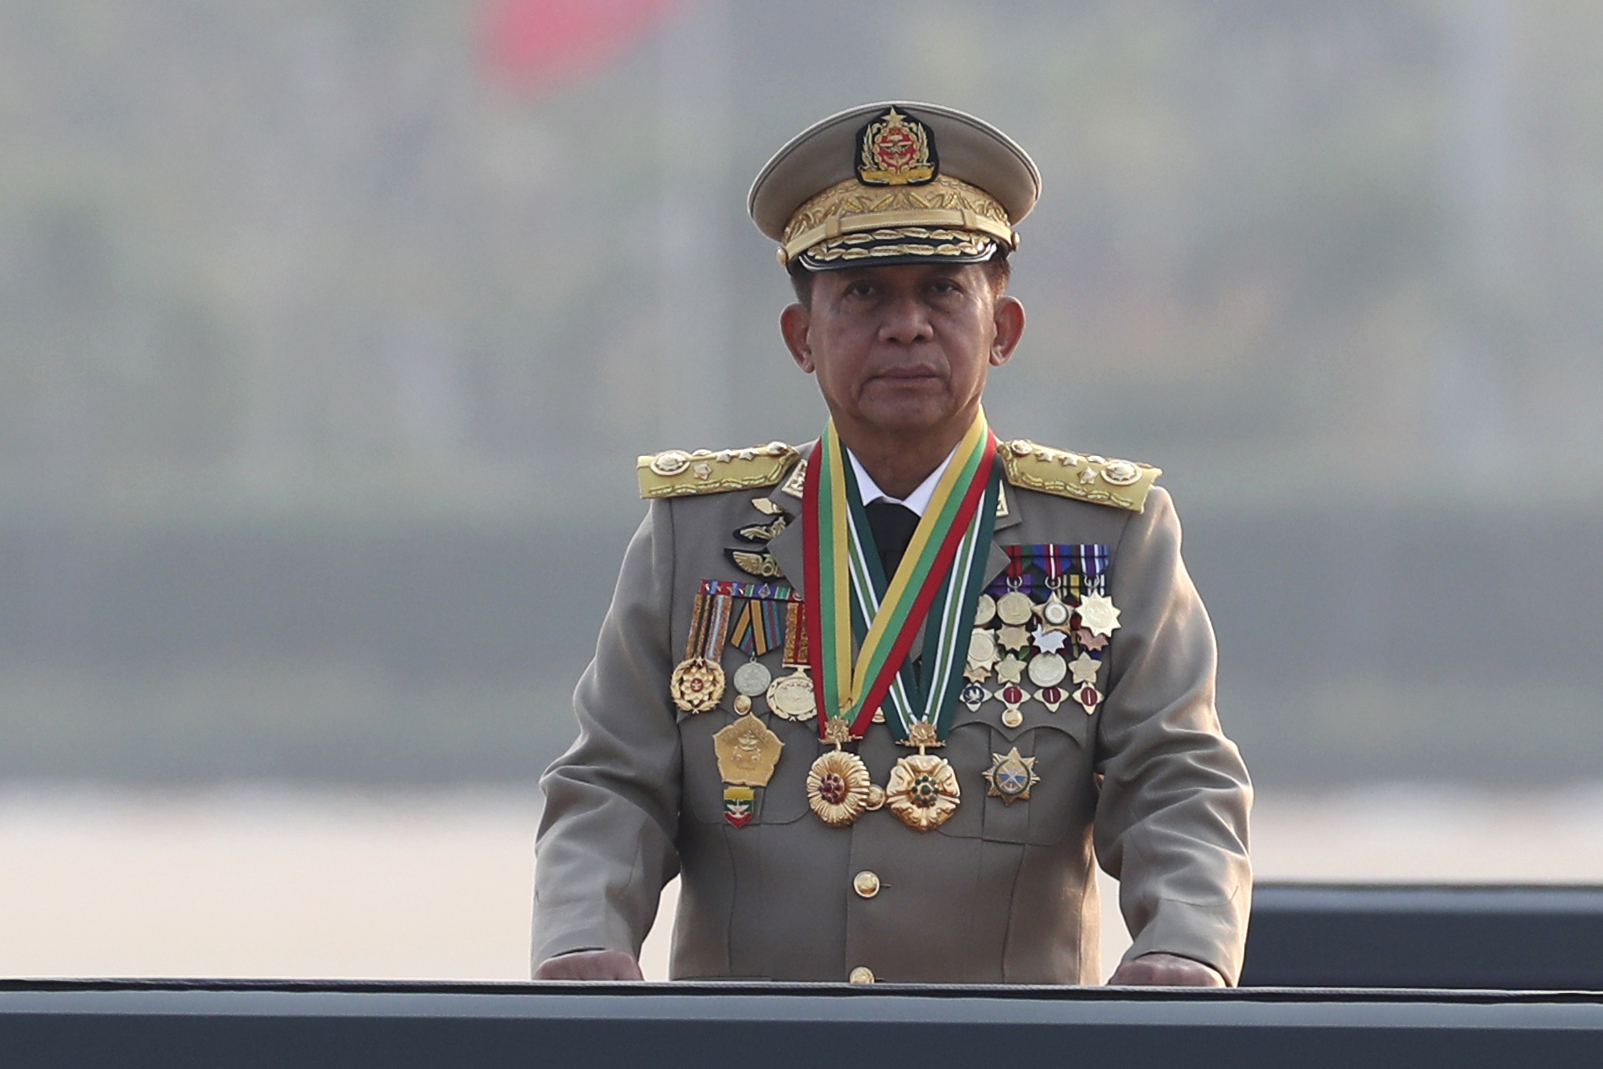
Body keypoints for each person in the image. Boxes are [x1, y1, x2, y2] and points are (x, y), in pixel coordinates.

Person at [532, 102, 1251, 985]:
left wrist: (1184, 946)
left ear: (1004, 330)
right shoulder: (699, 535)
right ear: (801, 337)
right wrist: (581, 935)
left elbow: (1177, 781)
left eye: (941, 290)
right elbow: (612, 784)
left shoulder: (1103, 538)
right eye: (864, 293)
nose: (905, 325)